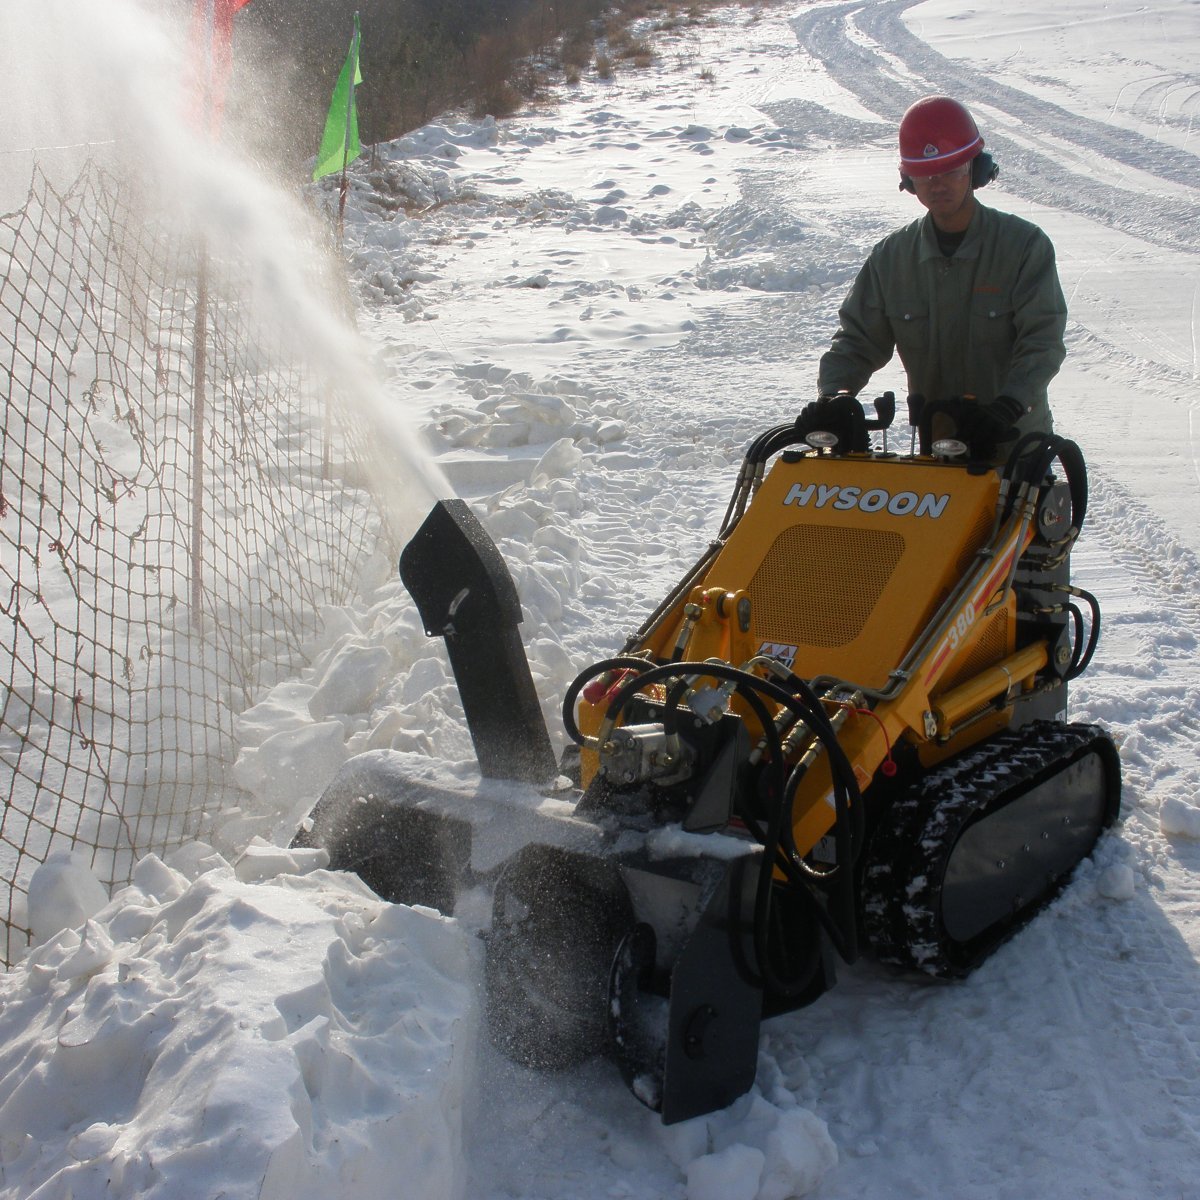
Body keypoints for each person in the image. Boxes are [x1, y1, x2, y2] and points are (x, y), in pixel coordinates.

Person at [816, 95, 1068, 459]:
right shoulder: (892, 258)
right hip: (938, 450)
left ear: (976, 170)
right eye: (926, 175)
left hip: (1013, 448)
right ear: (909, 180)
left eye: (951, 170)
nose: (938, 185)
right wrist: (834, 396)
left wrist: (1009, 406)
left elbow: (1042, 343)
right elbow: (857, 342)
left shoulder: (1024, 247)